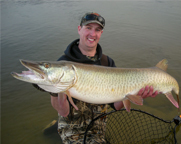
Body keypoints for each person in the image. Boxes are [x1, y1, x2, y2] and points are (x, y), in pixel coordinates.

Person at [40, 12, 158, 143]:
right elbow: (63, 111)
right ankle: (58, 127)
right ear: (79, 29)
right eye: (88, 28)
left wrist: (135, 94)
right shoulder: (64, 64)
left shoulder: (107, 63)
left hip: (98, 129)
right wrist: (54, 89)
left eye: (97, 30)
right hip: (72, 129)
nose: (92, 34)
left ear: (101, 33)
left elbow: (117, 105)